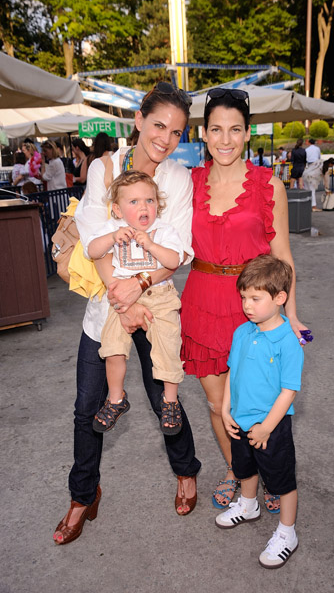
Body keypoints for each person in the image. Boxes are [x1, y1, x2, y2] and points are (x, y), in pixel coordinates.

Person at [53, 82, 201, 546]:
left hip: (153, 302)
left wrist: (137, 290)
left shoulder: (177, 178)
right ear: (138, 120)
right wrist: (122, 302)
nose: (165, 138)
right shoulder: (103, 167)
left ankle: (186, 472)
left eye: (176, 132)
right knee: (86, 408)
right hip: (106, 306)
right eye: (159, 125)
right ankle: (82, 496)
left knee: (165, 400)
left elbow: (179, 249)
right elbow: (96, 235)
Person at [180, 87, 306, 513]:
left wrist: (290, 315)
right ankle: (239, 472)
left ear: (248, 133)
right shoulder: (189, 183)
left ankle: (269, 474)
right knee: (220, 405)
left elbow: (284, 256)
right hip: (202, 302)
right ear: (204, 133)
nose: (226, 139)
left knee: (262, 403)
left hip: (254, 310)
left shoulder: (267, 184)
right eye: (216, 129)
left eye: (235, 129)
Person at [215, 254, 304, 569]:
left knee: (281, 481)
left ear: (280, 298)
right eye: (243, 298)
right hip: (239, 419)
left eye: (255, 298)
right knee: (245, 468)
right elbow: (232, 374)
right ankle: (249, 505)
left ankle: (286, 533)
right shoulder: (243, 332)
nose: (247, 305)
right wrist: (226, 410)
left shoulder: (287, 342)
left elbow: (288, 390)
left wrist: (267, 426)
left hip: (272, 426)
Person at [87, 170, 185, 435]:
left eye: (149, 201)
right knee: (112, 347)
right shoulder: (113, 229)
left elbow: (174, 261)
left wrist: (151, 244)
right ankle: (116, 399)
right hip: (123, 301)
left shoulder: (163, 230)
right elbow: (92, 251)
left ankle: (170, 401)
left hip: (161, 297)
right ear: (117, 210)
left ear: (158, 205)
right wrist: (111, 237)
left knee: (168, 346)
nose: (144, 207)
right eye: (134, 202)